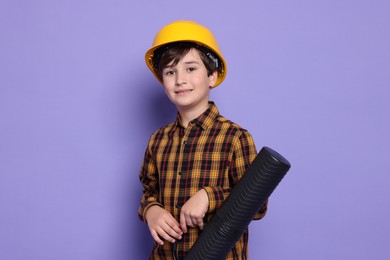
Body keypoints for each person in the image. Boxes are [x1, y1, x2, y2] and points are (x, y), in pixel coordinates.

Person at [138, 20, 268, 259]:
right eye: (170, 72)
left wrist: (210, 196)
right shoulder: (157, 140)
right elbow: (149, 190)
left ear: (212, 76)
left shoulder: (234, 137)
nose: (180, 79)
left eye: (190, 69)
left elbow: (257, 206)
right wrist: (151, 210)